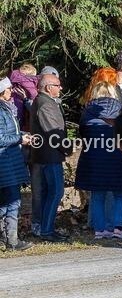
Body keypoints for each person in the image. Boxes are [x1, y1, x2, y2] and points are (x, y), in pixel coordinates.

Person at [75, 82, 122, 240]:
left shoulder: (87, 111)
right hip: (118, 157)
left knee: (97, 195)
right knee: (120, 194)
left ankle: (100, 230)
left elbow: (83, 134)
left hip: (94, 159)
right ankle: (118, 228)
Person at [29, 72, 71, 241]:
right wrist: (67, 148)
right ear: (48, 87)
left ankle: (46, 228)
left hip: (46, 155)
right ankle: (46, 230)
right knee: (55, 192)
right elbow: (53, 132)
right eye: (57, 85)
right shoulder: (45, 104)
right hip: (49, 156)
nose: (60, 88)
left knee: (48, 193)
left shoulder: (45, 102)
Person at [0, 77, 33, 251]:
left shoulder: (6, 109)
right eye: (8, 89)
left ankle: (6, 237)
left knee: (6, 201)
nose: (11, 91)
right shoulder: (1, 110)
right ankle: (12, 240)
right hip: (5, 162)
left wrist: (24, 134)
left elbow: (9, 132)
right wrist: (20, 139)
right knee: (13, 200)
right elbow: (0, 138)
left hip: (10, 161)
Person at [10, 63, 38, 131]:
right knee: (21, 118)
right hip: (21, 102)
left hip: (14, 100)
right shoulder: (26, 81)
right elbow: (33, 93)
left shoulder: (15, 77)